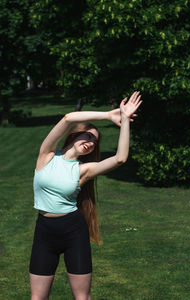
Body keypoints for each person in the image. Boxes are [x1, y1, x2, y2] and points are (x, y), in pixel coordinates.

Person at [29, 91, 142, 300]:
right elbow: (68, 118)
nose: (91, 143)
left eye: (94, 141)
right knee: (37, 298)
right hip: (44, 231)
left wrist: (125, 120)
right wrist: (109, 116)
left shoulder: (83, 170)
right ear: (75, 134)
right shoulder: (47, 155)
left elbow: (120, 158)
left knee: (82, 297)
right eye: (88, 136)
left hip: (73, 231)